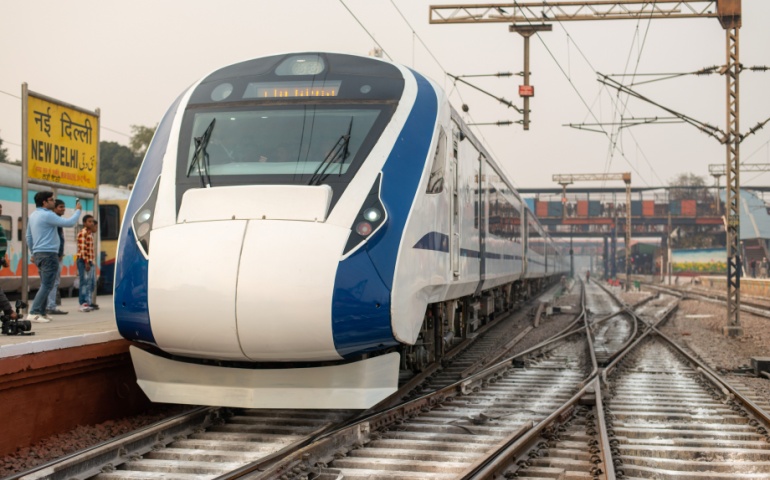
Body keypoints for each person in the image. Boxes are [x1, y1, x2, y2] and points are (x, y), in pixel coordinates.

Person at [26, 192, 82, 322]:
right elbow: (69, 223)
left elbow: (28, 237)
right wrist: (77, 211)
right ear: (45, 202)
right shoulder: (47, 215)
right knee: (47, 284)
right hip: (49, 253)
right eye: (51, 200)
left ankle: (41, 312)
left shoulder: (33, 215)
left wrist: (33, 253)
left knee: (46, 283)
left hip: (39, 253)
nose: (53, 202)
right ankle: (34, 312)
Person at [46, 199, 68, 315]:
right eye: (60, 207)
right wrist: (59, 254)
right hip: (54, 256)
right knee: (53, 281)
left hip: (55, 255)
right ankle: (50, 306)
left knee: (51, 281)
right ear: (54, 208)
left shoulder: (56, 221)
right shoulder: (55, 221)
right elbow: (57, 239)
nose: (63, 209)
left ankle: (50, 305)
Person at [76, 215, 96, 312]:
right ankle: (82, 303)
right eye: (89, 221)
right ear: (84, 223)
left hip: (89, 261)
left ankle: (87, 302)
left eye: (92, 221)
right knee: (84, 282)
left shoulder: (89, 233)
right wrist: (86, 262)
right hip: (84, 261)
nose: (91, 223)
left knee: (89, 283)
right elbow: (83, 250)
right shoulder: (83, 233)